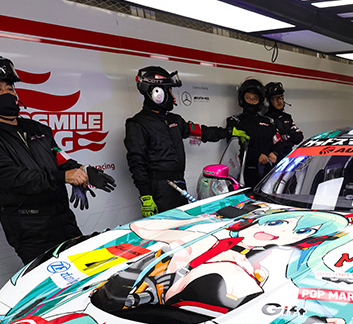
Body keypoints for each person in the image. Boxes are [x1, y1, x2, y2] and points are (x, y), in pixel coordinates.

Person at [0, 55, 115, 264]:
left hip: (64, 218)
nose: (7, 93)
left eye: (9, 88)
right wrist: (65, 177)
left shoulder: (37, 129)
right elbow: (11, 179)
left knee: (87, 271)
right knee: (53, 280)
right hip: (30, 228)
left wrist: (83, 170)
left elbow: (60, 159)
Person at [125, 66, 248, 217]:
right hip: (158, 190)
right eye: (169, 90)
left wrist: (228, 132)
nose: (172, 96)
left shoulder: (174, 120)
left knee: (184, 224)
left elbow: (202, 132)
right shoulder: (137, 124)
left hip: (179, 185)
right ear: (157, 93)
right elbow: (136, 162)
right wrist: (145, 196)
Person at [227, 78, 280, 188]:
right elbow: (235, 148)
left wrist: (274, 153)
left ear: (260, 101)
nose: (251, 102)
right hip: (245, 174)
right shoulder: (235, 121)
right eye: (248, 98)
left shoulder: (269, 122)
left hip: (269, 172)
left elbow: (279, 141)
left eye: (254, 99)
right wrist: (256, 156)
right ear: (242, 98)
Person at [263, 81, 303, 162]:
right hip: (274, 160)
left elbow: (299, 137)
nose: (279, 101)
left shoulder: (287, 117)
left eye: (280, 97)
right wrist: (289, 137)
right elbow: (275, 143)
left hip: (288, 159)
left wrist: (285, 137)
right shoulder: (265, 119)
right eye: (275, 98)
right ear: (268, 101)